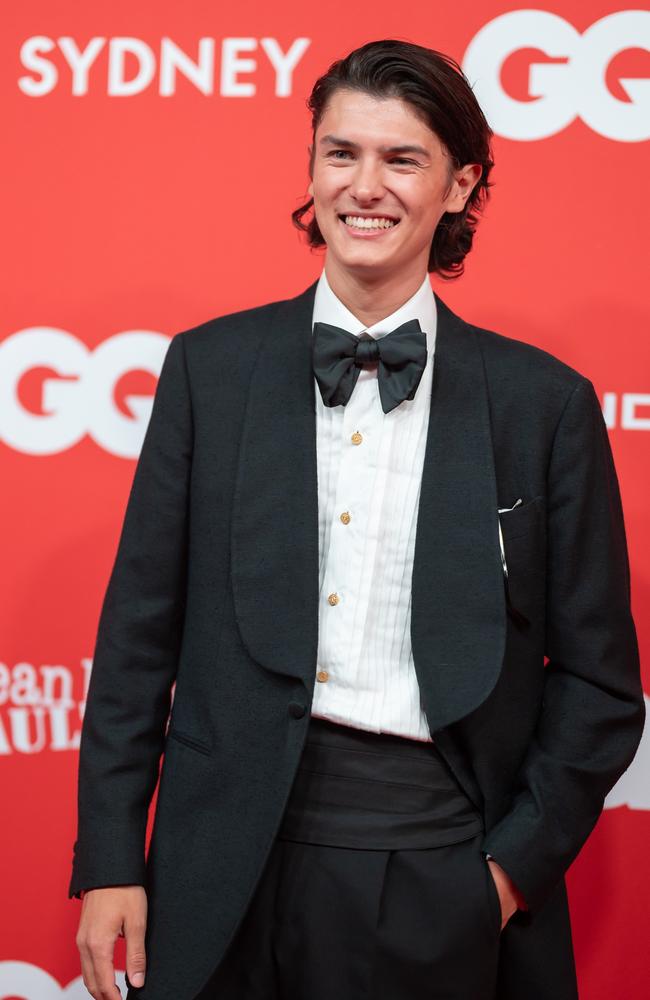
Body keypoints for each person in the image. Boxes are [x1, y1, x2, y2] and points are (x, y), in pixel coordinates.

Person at [70, 39, 645, 1000]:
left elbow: (600, 685)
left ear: (460, 187)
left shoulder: (543, 404)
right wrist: (110, 858)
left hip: (434, 863)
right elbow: (137, 639)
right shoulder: (210, 371)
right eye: (341, 154)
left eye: (402, 159)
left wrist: (504, 878)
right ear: (311, 168)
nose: (363, 186)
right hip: (220, 864)